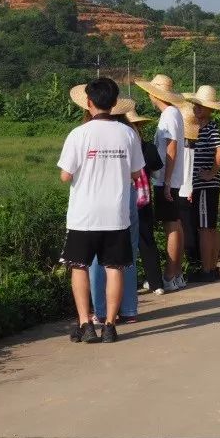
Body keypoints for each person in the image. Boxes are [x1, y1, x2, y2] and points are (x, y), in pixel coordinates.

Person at [58, 78, 144, 344]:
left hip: (84, 215)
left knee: (79, 267)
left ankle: (86, 324)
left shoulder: (78, 134)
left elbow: (65, 175)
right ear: (115, 103)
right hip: (116, 215)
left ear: (88, 102)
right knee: (115, 268)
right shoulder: (128, 133)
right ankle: (109, 326)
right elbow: (136, 171)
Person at [134, 74, 186, 292]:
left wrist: (165, 182)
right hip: (172, 178)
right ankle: (177, 274)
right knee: (176, 224)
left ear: (153, 94)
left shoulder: (168, 116)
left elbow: (171, 148)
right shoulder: (175, 114)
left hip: (168, 179)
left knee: (171, 225)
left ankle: (170, 274)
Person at [183, 85, 220, 282]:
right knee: (210, 227)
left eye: (201, 106)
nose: (196, 109)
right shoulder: (197, 128)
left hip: (205, 185)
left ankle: (207, 268)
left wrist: (210, 173)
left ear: (210, 109)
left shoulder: (210, 128)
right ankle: (212, 267)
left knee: (204, 228)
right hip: (203, 184)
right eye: (196, 105)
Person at [124, 109, 168, 297]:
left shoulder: (122, 146)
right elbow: (158, 170)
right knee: (147, 242)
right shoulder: (147, 147)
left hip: (123, 201)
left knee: (125, 245)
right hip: (144, 200)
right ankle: (156, 283)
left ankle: (128, 286)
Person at [176, 103, 200, 284]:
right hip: (189, 190)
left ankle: (191, 264)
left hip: (182, 190)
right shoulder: (192, 145)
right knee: (190, 228)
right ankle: (194, 263)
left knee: (185, 230)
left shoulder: (180, 147)